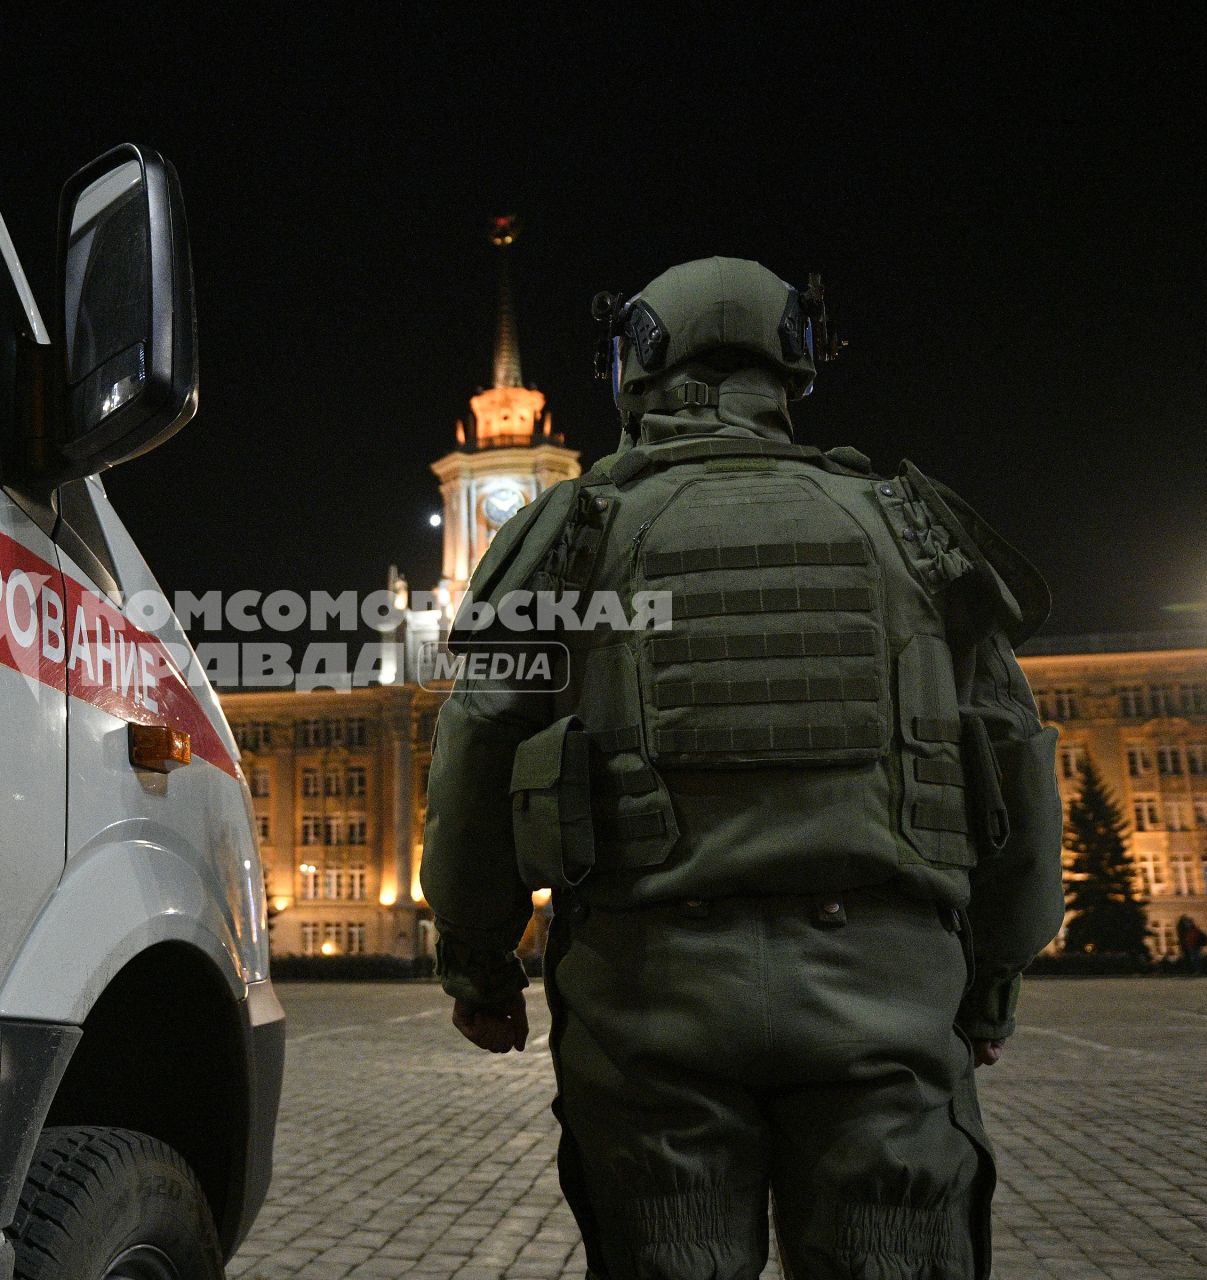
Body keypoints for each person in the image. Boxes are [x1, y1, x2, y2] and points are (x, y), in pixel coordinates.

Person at [421, 257, 1065, 1279]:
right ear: (797, 364)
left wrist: (478, 961)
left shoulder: (568, 537)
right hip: (888, 1004)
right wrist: (991, 983)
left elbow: (474, 755)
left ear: (633, 369)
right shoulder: (906, 526)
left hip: (648, 1004)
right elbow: (1016, 762)